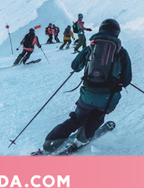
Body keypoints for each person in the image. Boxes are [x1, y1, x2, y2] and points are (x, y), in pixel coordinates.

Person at [43, 19, 132, 152]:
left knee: (77, 118)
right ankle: (81, 139)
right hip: (107, 98)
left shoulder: (91, 46)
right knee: (97, 118)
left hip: (87, 94)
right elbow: (126, 80)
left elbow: (75, 66)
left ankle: (51, 141)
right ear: (117, 32)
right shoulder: (121, 52)